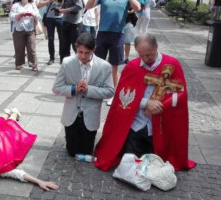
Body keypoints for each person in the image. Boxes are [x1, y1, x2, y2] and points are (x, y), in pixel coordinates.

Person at [94, 33, 197, 172]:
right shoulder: (132, 66)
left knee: (156, 164)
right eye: (141, 55)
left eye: (149, 54)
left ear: (156, 47)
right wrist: (145, 103)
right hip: (137, 124)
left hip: (159, 126)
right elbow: (122, 96)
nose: (145, 59)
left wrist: (159, 106)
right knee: (132, 163)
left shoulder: (171, 64)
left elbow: (180, 93)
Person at [52, 33, 113, 157]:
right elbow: (56, 88)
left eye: (87, 53)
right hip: (71, 115)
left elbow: (110, 91)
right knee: (72, 152)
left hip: (90, 116)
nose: (83, 56)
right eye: (80, 52)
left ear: (94, 49)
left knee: (86, 152)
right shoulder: (67, 62)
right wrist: (74, 89)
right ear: (76, 48)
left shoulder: (104, 66)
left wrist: (88, 90)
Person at [85, 0, 141, 89]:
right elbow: (88, 6)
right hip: (102, 33)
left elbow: (138, 7)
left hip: (118, 34)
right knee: (97, 63)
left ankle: (113, 92)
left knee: (114, 66)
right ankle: (95, 87)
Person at [10, 0, 40, 71]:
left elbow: (38, 15)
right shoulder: (16, 5)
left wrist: (34, 14)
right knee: (19, 48)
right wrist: (18, 15)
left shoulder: (32, 4)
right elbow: (11, 16)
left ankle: (33, 64)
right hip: (18, 29)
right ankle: (19, 64)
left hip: (30, 29)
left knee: (31, 47)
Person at [39, 0, 63, 65]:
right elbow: (40, 4)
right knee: (51, 38)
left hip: (60, 17)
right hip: (49, 18)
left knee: (62, 39)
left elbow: (66, 4)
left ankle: (62, 58)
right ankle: (51, 58)